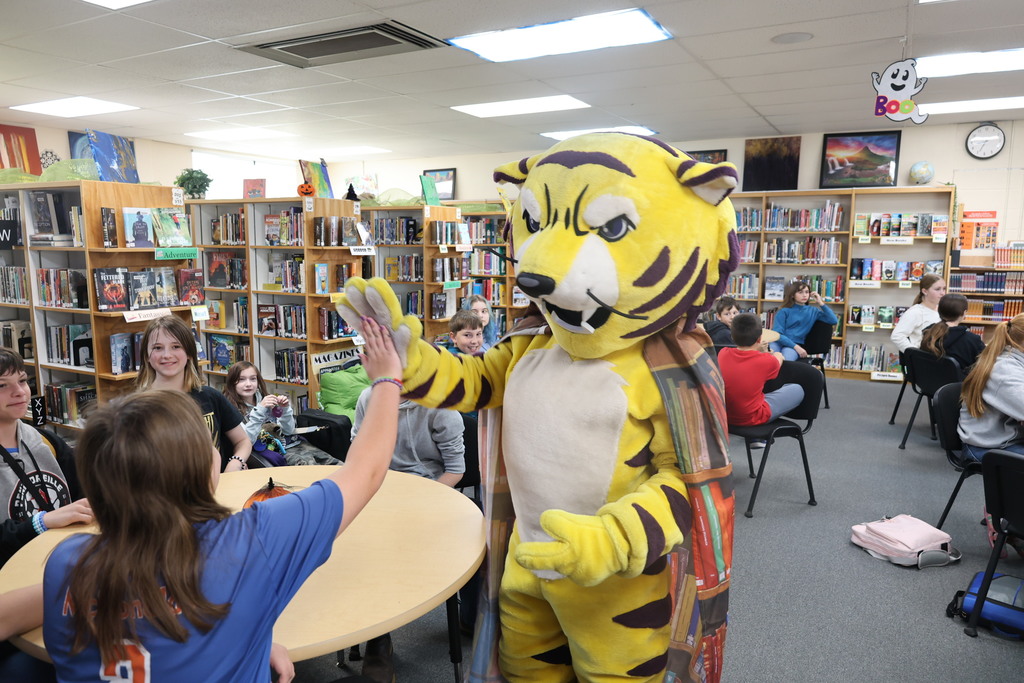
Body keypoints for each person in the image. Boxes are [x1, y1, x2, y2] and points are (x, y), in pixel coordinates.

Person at [40, 317, 402, 682]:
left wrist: (255, 639)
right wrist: (386, 379)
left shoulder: (67, 564)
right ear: (199, 472)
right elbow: (366, 471)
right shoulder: (250, 542)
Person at [350, 375, 466, 682]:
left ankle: (379, 635)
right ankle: (378, 635)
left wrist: (419, 503)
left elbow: (456, 469)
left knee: (387, 550)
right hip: (381, 490)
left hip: (430, 492)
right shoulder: (369, 398)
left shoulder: (440, 406)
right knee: (354, 547)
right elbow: (358, 451)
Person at [0, 349, 92, 681]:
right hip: (14, 601)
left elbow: (84, 496)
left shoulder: (44, 440)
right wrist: (40, 522)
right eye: (3, 385)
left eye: (22, 381)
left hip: (62, 578)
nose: (20, 392)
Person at [135, 315, 251, 472]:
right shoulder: (137, 407)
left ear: (189, 353)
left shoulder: (210, 396)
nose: (167, 355)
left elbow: (243, 440)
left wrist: (235, 463)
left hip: (220, 486)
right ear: (146, 356)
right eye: (157, 348)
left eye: (176, 346)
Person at [223, 361, 340, 466]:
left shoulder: (266, 399)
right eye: (242, 379)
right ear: (232, 383)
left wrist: (285, 410)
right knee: (309, 467)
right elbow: (246, 442)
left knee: (334, 463)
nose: (248, 384)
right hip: (270, 451)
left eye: (253, 379)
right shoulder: (231, 410)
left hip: (291, 443)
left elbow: (288, 430)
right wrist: (259, 410)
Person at [719, 313, 805, 427]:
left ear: (732, 337)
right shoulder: (767, 361)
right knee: (797, 389)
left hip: (724, 415)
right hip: (751, 418)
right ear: (760, 339)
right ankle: (758, 438)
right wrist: (778, 354)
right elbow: (778, 359)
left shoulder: (722, 353)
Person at [770, 281, 838, 361]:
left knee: (786, 361)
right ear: (792, 295)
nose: (804, 295)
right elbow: (777, 334)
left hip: (795, 345)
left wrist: (820, 302)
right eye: (800, 292)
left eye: (807, 292)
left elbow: (833, 320)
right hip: (778, 342)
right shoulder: (783, 311)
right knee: (770, 359)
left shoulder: (813, 311)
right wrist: (796, 347)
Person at [919, 293, 985, 372]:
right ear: (964, 313)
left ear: (939, 311)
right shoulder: (973, 339)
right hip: (959, 383)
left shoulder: (928, 332)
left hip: (928, 382)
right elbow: (984, 365)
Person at [890, 273, 945, 352]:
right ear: (925, 291)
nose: (942, 293)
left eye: (944, 289)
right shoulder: (915, 312)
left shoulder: (942, 310)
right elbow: (897, 336)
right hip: (924, 359)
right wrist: (916, 355)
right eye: (937, 289)